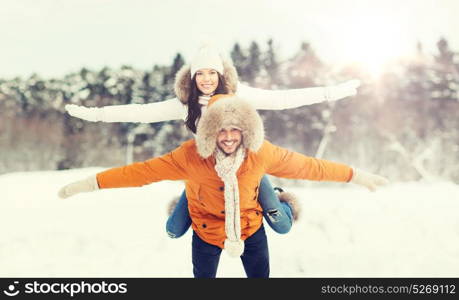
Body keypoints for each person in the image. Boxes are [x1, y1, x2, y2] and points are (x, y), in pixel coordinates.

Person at [58, 94, 389, 278]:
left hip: (250, 227)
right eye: (222, 131)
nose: (229, 137)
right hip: (205, 231)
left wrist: (356, 176)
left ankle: (278, 199)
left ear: (245, 131)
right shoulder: (189, 156)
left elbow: (310, 166)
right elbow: (140, 172)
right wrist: (90, 183)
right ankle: (186, 199)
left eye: (236, 130)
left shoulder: (261, 154)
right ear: (210, 133)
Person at [64, 42, 362, 239]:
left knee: (282, 226)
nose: (206, 78)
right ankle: (193, 200)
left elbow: (284, 99)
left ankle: (277, 195)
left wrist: (332, 92)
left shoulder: (239, 95)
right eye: (200, 73)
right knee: (174, 229)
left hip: (246, 170)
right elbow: (140, 112)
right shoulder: (186, 104)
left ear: (221, 74)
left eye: (212, 72)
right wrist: (95, 115)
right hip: (204, 173)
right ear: (193, 77)